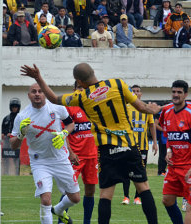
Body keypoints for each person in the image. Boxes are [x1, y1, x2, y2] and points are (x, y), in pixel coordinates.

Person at [20, 62, 161, 224]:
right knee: (143, 188)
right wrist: (154, 109)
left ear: (79, 82)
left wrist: (38, 77)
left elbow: (53, 98)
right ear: (93, 72)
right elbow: (142, 107)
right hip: (129, 145)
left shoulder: (82, 96)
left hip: (107, 151)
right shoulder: (117, 83)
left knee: (106, 195)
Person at [10, 83, 80, 224]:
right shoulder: (22, 116)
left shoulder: (57, 108)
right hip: (40, 162)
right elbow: (13, 145)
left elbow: (70, 124)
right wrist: (21, 134)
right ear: (29, 95)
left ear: (45, 94)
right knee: (45, 199)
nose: (37, 94)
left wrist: (63, 133)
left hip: (61, 159)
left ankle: (59, 210)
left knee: (75, 198)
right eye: (33, 91)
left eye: (40, 91)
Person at [58, 81, 98, 224]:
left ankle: (87, 221)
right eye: (80, 87)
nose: (82, 90)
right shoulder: (69, 108)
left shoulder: (94, 107)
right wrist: (70, 152)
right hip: (75, 156)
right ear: (74, 89)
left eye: (85, 88)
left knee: (90, 191)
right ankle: (61, 220)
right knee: (69, 190)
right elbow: (64, 132)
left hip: (92, 156)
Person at [159, 80, 191, 224]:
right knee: (167, 200)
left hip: (189, 167)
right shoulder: (166, 111)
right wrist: (168, 150)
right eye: (173, 92)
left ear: (186, 94)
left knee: (190, 208)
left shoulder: (190, 112)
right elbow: (168, 135)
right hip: (173, 166)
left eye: (179, 92)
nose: (175, 95)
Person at [121, 85, 158, 205]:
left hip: (143, 146)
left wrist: (155, 143)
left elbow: (152, 125)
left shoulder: (146, 108)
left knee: (141, 171)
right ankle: (126, 197)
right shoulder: (125, 108)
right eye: (134, 91)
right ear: (130, 93)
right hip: (128, 145)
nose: (136, 93)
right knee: (126, 170)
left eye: (138, 91)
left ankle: (138, 197)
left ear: (141, 94)